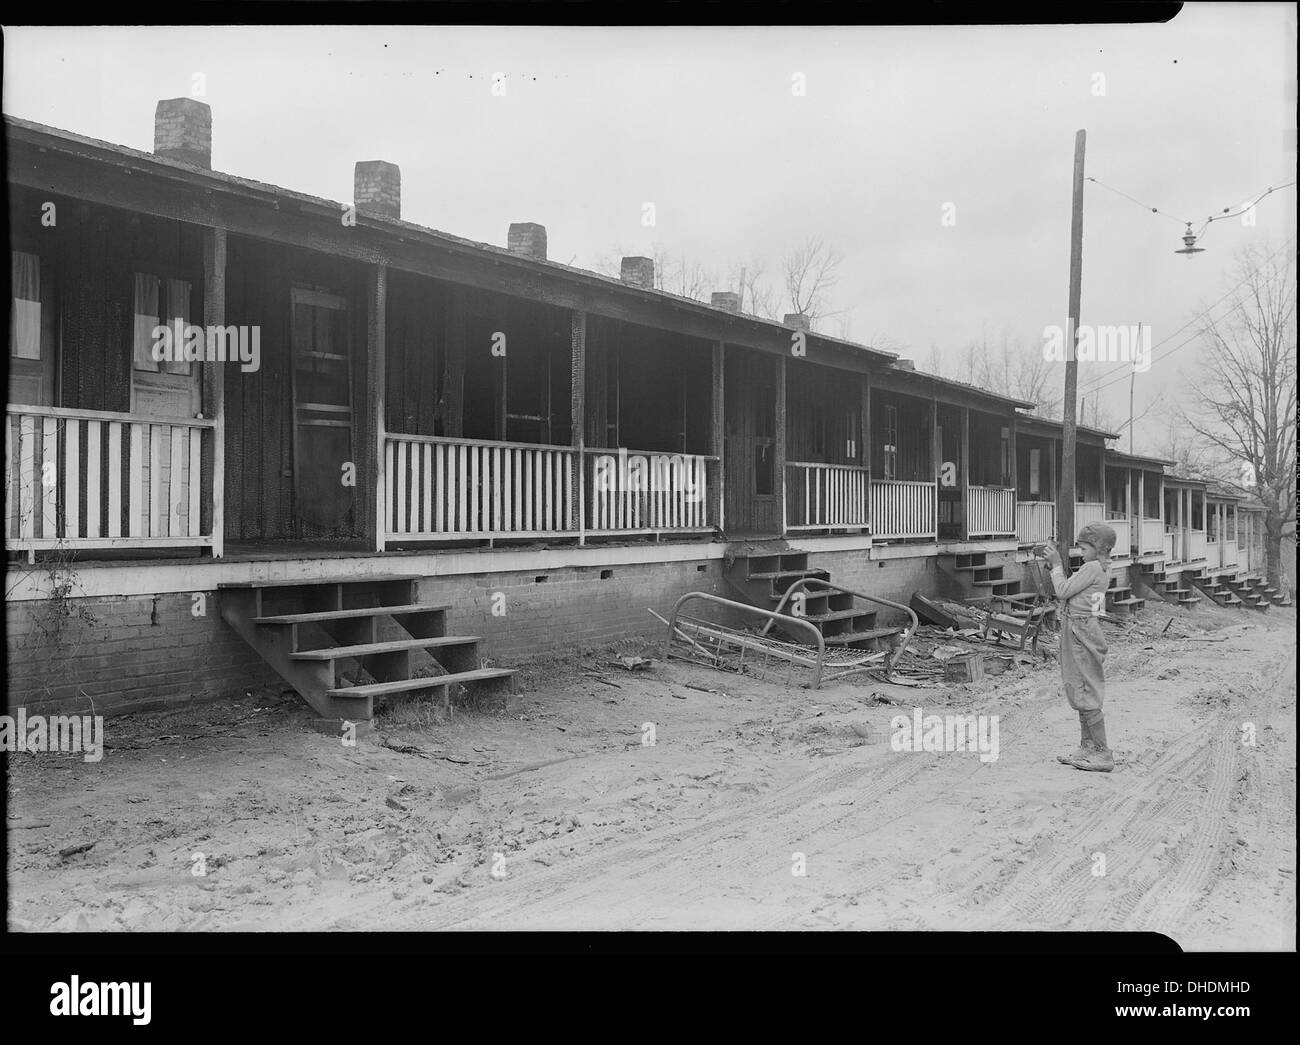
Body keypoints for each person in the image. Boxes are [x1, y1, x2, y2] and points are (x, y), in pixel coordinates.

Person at [1041, 522, 1117, 772]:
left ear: (1098, 548)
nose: (1081, 552)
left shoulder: (1092, 567)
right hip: (1082, 627)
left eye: (1084, 548)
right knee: (1079, 686)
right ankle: (1087, 746)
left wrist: (1056, 565)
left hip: (1079, 630)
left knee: (1085, 688)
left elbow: (1062, 591)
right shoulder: (1101, 567)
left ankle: (1102, 752)